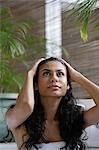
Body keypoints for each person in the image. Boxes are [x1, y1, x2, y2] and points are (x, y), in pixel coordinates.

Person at [5, 57, 99, 150]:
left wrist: (77, 76)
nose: (54, 78)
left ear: (68, 86)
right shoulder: (20, 120)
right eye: (46, 73)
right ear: (36, 85)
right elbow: (27, 106)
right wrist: (30, 74)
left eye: (60, 74)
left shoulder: (74, 118)